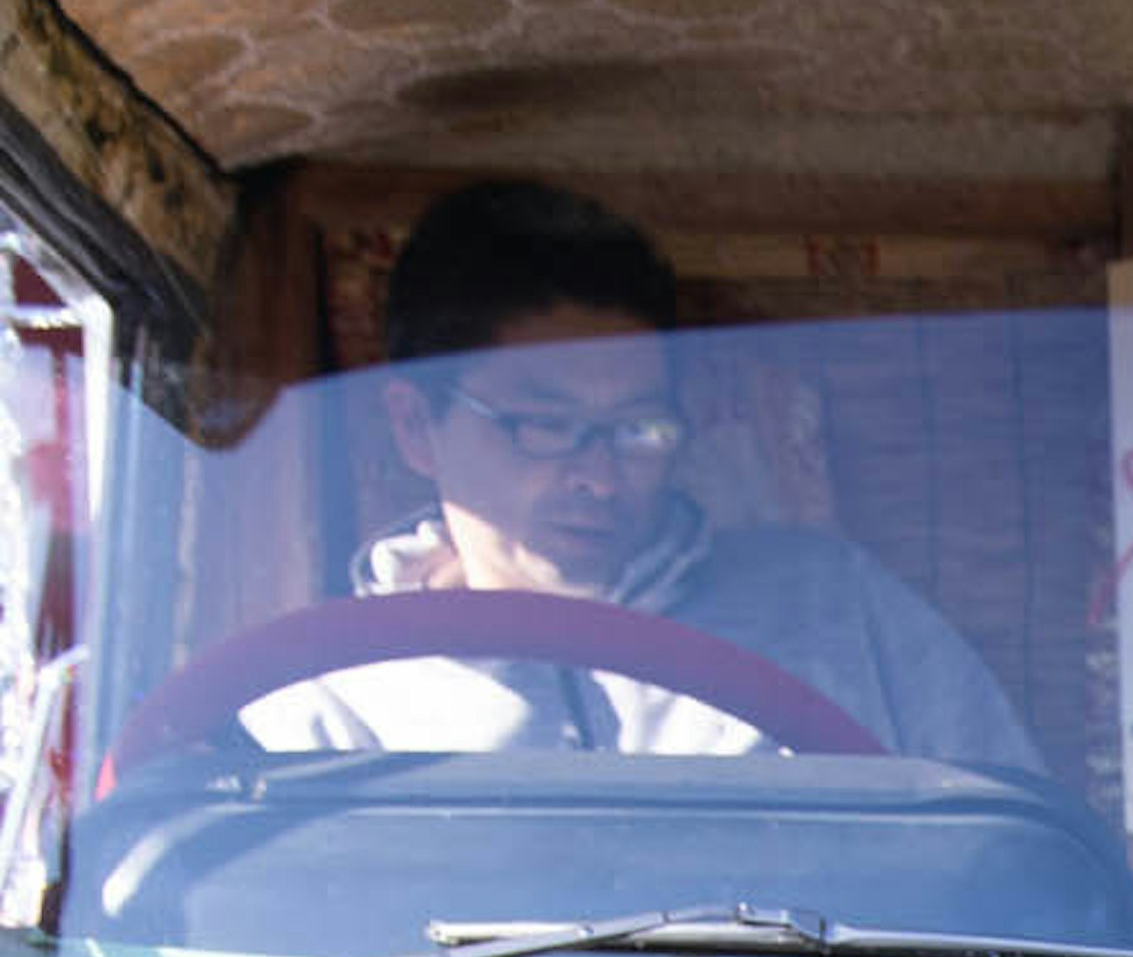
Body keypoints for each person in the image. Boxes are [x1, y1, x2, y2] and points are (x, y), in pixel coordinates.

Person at [244, 177, 1043, 772]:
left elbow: (1017, 876)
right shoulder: (329, 701)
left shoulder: (837, 615)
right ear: (416, 427)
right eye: (547, 427)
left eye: (638, 429)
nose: (599, 476)